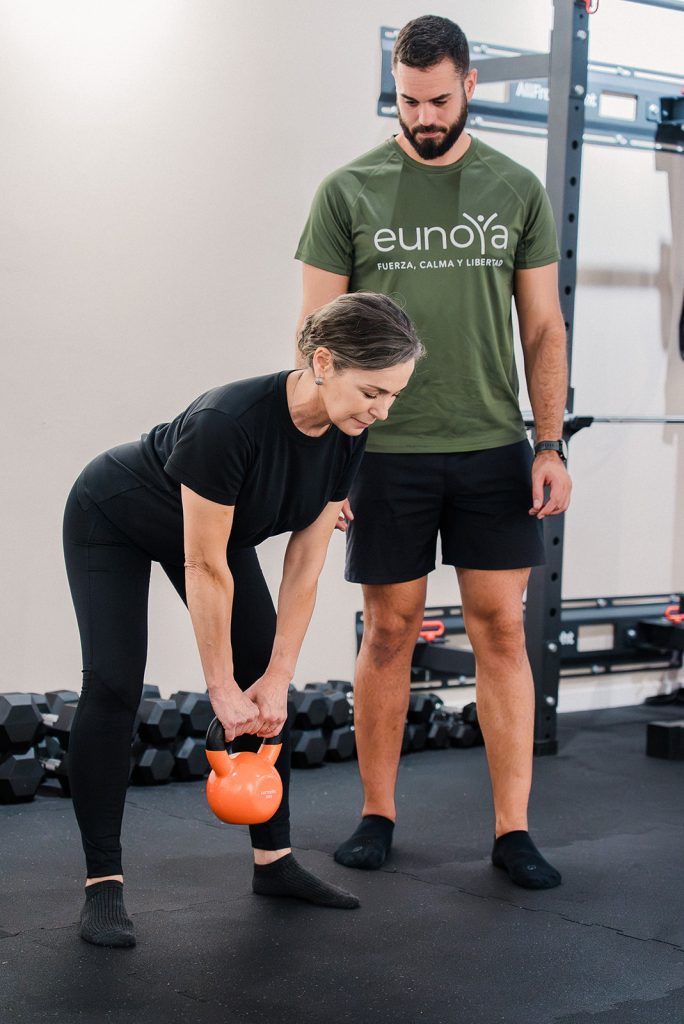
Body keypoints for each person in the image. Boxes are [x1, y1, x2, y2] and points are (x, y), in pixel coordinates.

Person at [295, 15, 572, 889]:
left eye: (438, 100)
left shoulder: (516, 188)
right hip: (386, 450)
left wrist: (551, 441)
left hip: (493, 445)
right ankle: (377, 813)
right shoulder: (348, 191)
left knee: (500, 631)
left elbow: (543, 326)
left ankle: (513, 829)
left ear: (470, 88)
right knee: (390, 631)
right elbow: (314, 345)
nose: (422, 116)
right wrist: (325, 465)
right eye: (408, 101)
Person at [62, 292, 422, 947]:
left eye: (394, 396)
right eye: (374, 391)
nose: (382, 409)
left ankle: (274, 861)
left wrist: (278, 675)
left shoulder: (349, 434)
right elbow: (204, 567)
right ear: (323, 362)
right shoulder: (228, 422)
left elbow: (306, 562)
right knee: (114, 685)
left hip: (215, 541)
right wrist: (220, 689)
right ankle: (103, 884)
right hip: (113, 516)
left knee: (263, 675)